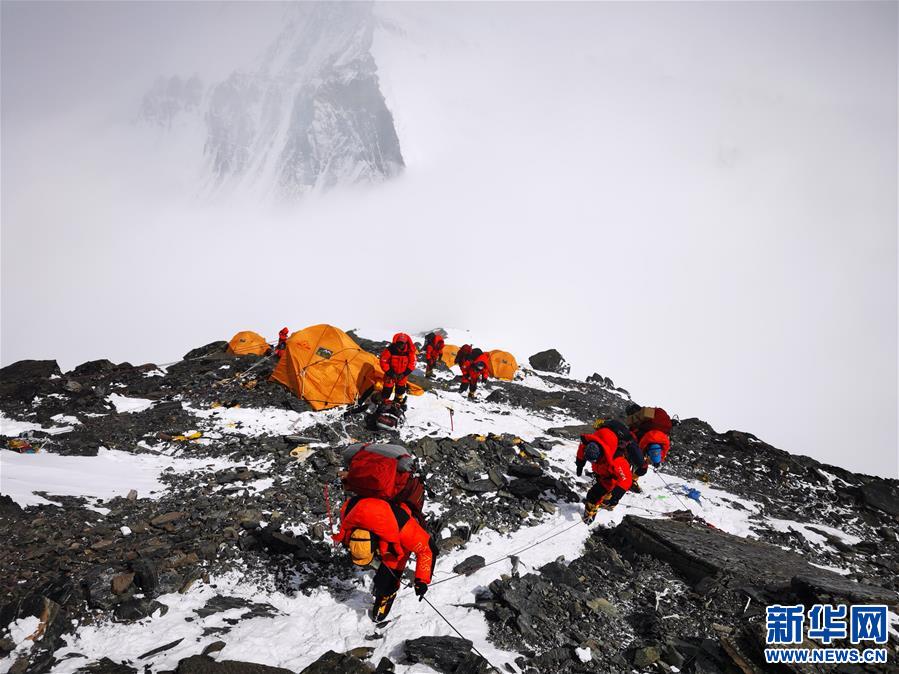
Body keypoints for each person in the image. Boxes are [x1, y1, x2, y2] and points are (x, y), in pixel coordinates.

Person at [333, 496, 437, 621]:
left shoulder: (402, 529)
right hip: (376, 507)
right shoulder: (349, 513)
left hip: (398, 518)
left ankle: (387, 591)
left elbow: (428, 548)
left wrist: (421, 580)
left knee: (393, 563)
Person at [340, 442, 426, 520]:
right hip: (413, 488)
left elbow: (376, 485)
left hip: (401, 492)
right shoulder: (376, 452)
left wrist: (350, 479)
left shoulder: (362, 459)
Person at [575, 426, 633, 523]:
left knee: (593, 495)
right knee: (597, 495)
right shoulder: (589, 443)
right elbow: (582, 448)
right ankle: (603, 503)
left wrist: (616, 496)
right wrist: (580, 463)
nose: (593, 462)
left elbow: (625, 479)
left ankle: (590, 515)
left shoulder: (617, 460)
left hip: (611, 479)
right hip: (601, 473)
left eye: (594, 460)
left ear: (601, 454)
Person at [379, 333, 418, 407]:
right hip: (390, 375)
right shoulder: (390, 350)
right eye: (399, 342)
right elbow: (383, 361)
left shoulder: (410, 351)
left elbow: (412, 363)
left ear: (405, 343)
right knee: (387, 389)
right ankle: (384, 402)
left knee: (400, 389)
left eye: (402, 343)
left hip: (402, 375)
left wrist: (404, 374)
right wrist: (390, 373)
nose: (400, 345)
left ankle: (397, 402)